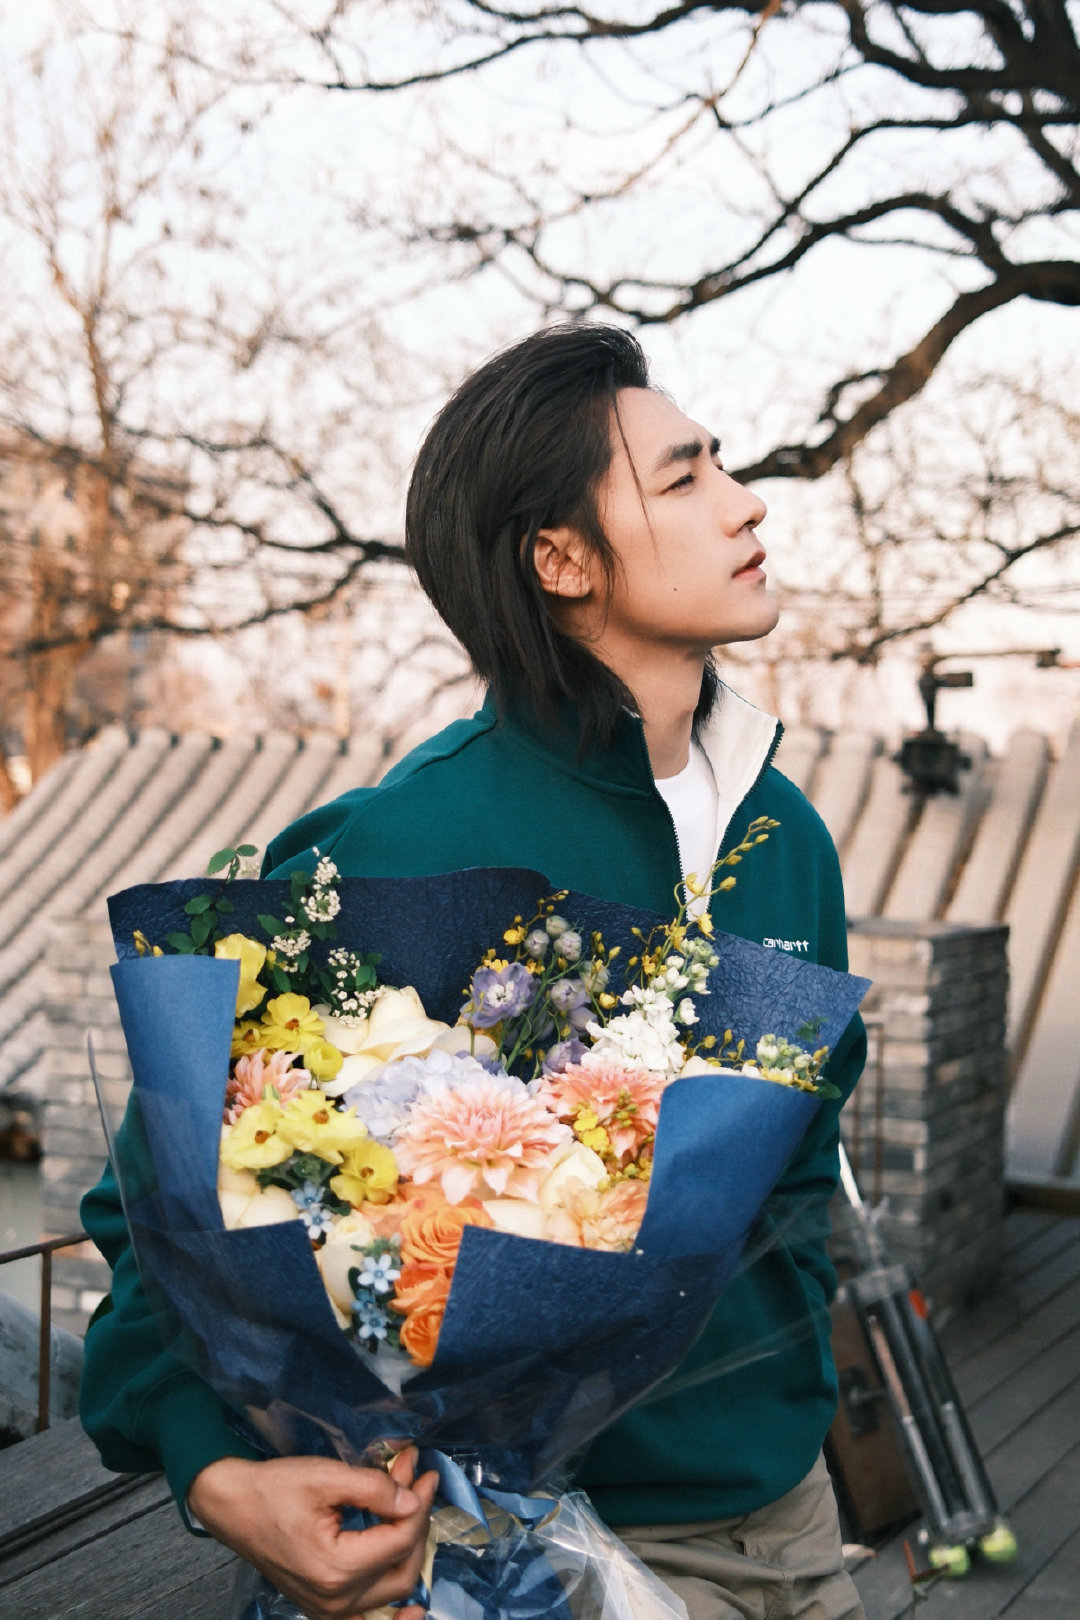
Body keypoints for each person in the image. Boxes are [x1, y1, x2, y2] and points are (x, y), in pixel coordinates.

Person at [81, 323, 866, 1620]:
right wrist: (213, 1471)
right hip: (490, 1554)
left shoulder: (786, 843)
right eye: (684, 478)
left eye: (720, 465)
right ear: (561, 559)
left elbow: (796, 1196)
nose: (745, 503)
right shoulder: (406, 845)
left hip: (786, 1528)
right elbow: (156, 1217)